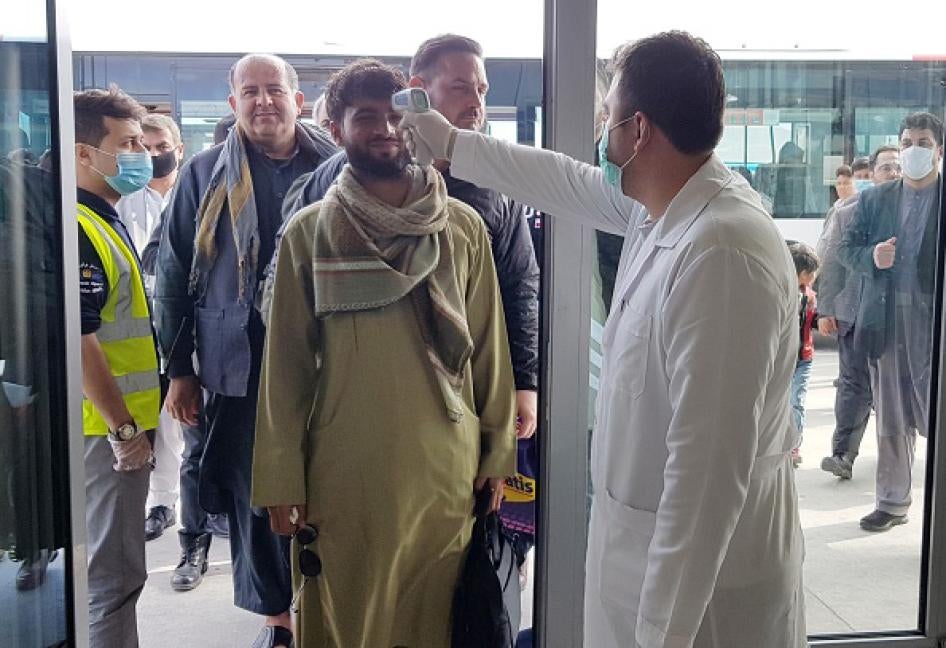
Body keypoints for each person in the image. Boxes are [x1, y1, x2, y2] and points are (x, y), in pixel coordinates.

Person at [403, 30, 805, 647]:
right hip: (639, 558)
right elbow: (561, 181)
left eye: (608, 120)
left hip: (702, 606)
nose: (601, 137)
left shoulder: (723, 251)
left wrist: (660, 636)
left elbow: (706, 479)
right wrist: (455, 146)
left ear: (637, 131)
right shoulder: (662, 209)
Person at [252, 59, 516, 647]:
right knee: (347, 620)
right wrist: (279, 477)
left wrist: (499, 453)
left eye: (395, 115)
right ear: (338, 130)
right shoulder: (310, 232)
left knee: (434, 621)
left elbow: (489, 349)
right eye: (364, 117)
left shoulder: (463, 228)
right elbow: (286, 368)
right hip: (344, 474)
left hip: (443, 470)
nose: (385, 129)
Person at [154, 53, 336, 647]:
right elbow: (177, 273)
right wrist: (179, 371)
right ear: (233, 104)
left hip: (321, 359)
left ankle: (325, 604)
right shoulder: (205, 172)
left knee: (322, 482)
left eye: (274, 90)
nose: (264, 101)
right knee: (255, 494)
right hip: (238, 362)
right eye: (250, 92)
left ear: (297, 99)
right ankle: (277, 619)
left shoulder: (336, 169)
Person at [281, 35, 540, 445]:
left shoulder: (492, 184)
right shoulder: (342, 176)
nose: (475, 101)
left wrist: (525, 382)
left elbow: (518, 284)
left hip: (462, 394)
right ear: (417, 91)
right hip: (356, 399)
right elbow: (291, 287)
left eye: (482, 89)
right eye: (460, 87)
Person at [74, 86, 162, 647]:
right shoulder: (82, 227)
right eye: (127, 142)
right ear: (86, 153)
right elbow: (80, 339)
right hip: (105, 433)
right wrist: (124, 431)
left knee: (116, 574)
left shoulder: (104, 216)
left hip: (111, 427)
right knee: (113, 578)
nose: (141, 154)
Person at [838, 111, 943, 532]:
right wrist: (872, 257)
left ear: (938, 149)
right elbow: (847, 249)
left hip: (934, 323)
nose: (913, 149)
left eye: (922, 141)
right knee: (893, 416)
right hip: (887, 322)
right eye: (906, 142)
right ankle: (893, 502)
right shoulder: (875, 199)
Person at [115, 113, 186, 543]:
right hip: (135, 326)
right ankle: (153, 501)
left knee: (176, 420)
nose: (155, 156)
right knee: (145, 415)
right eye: (146, 147)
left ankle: (168, 501)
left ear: (179, 149)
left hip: (176, 322)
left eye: (163, 148)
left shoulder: (195, 192)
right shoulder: (125, 198)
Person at [817, 144, 901, 479]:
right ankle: (842, 455)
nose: (890, 174)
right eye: (884, 169)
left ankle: (895, 459)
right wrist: (825, 308)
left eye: (896, 167)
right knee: (853, 386)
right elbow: (832, 263)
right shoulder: (847, 211)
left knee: (894, 390)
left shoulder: (914, 211)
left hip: (898, 318)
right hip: (853, 312)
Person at [788, 242, 820, 468]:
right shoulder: (785, 293)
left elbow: (813, 321)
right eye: (811, 275)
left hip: (803, 358)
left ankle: (794, 446)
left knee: (796, 401)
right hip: (786, 359)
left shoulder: (809, 296)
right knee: (783, 403)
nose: (813, 279)